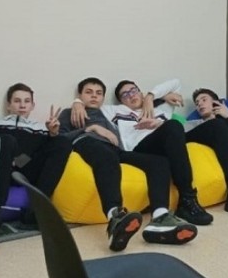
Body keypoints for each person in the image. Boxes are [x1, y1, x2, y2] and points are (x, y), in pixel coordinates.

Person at [71, 78, 228, 222]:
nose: (131, 95)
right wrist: (77, 102)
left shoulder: (160, 107)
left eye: (134, 90)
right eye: (125, 94)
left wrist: (152, 97)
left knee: (218, 125)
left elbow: (176, 83)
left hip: (171, 138)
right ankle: (187, 199)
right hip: (142, 146)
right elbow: (91, 102)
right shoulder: (113, 111)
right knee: (172, 126)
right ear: (121, 101)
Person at [57, 78, 198, 248]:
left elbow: (153, 97)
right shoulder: (69, 112)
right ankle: (115, 218)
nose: (94, 96)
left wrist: (158, 97)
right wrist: (90, 127)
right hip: (87, 141)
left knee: (159, 162)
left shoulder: (106, 112)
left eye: (98, 93)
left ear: (103, 98)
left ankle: (160, 217)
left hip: (117, 149)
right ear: (80, 95)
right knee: (107, 158)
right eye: (88, 92)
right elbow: (60, 140)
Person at [0, 83, 73, 248]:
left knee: (62, 142)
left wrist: (52, 134)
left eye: (26, 101)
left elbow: (42, 154)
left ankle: (37, 210)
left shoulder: (41, 128)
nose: (22, 105)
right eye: (17, 101)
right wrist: (9, 158)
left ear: (32, 105)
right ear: (8, 105)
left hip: (24, 169)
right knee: (7, 141)